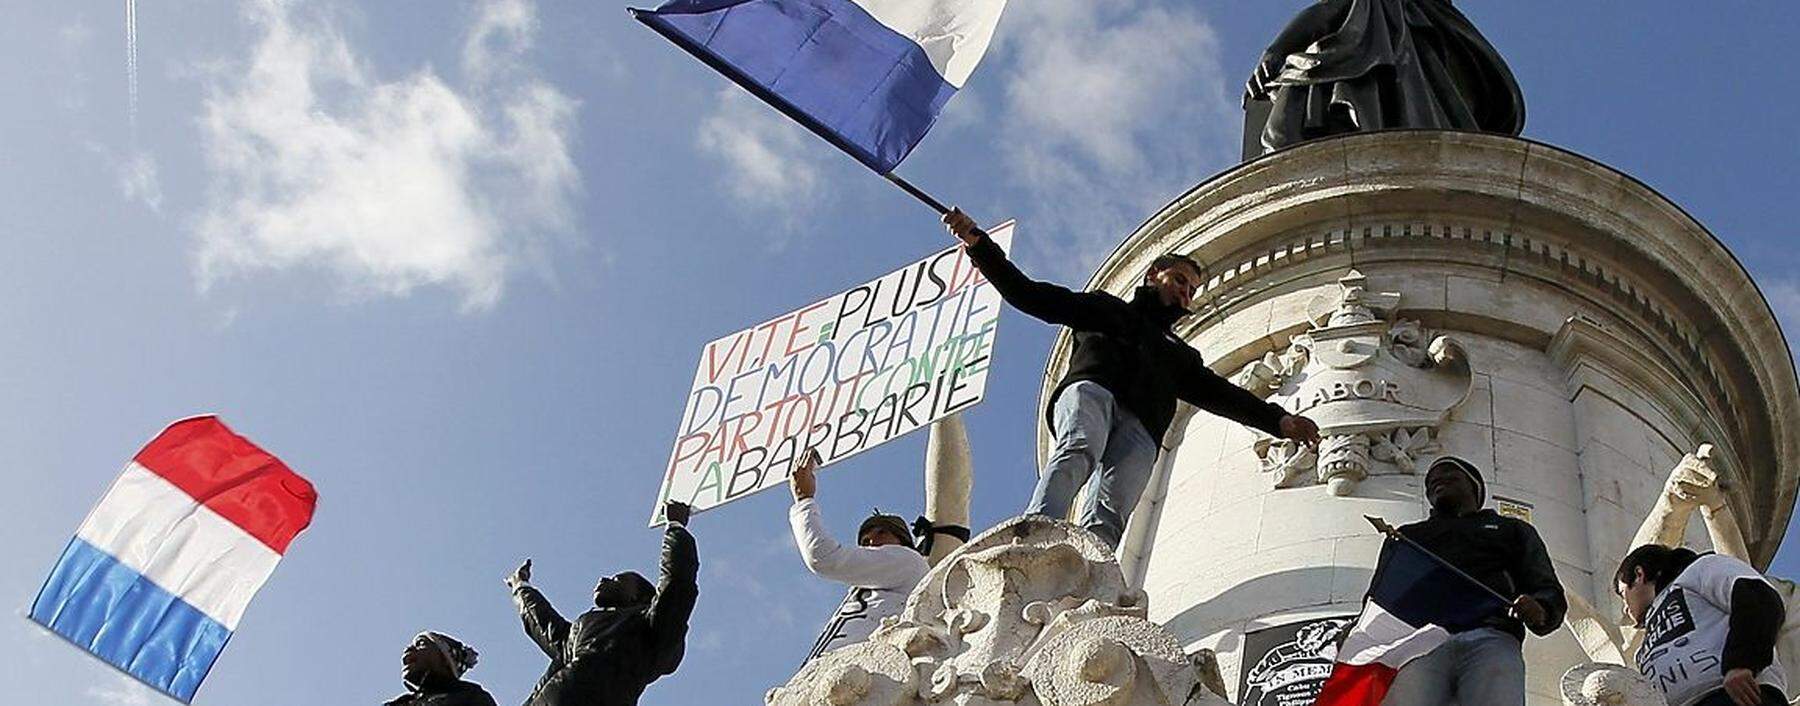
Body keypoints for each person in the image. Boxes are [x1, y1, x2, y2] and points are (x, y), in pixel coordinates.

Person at [942, 209, 1321, 548]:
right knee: (1079, 447)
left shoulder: (1180, 356)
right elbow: (1030, 295)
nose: (1185, 294)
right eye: (1179, 280)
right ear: (1153, 275)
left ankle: (1091, 570)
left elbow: (1222, 395)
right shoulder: (1106, 308)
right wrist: (981, 246)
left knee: (1114, 505)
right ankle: (1036, 531)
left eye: (1191, 289)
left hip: (1143, 425)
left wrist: (1278, 420)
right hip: (1094, 390)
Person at [1382, 456, 1567, 706]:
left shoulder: (1511, 530)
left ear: (1474, 487)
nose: (1439, 482)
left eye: (1449, 476)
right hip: (1420, 643)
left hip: (1491, 637)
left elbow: (1544, 584)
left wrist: (1542, 609)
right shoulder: (1409, 537)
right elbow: (1383, 595)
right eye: (1432, 481)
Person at [504, 500, 699, 706]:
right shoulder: (580, 632)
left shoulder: (652, 628)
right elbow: (544, 625)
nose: (604, 579)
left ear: (638, 599)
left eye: (618, 579)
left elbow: (676, 585)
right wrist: (521, 586)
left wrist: (676, 527)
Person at [787, 447, 930, 662]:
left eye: (882, 533)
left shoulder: (907, 561)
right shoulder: (873, 586)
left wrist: (804, 500)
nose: (871, 542)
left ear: (902, 540)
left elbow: (822, 557)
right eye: (865, 541)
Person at [1617, 544, 1789, 706]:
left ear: (1638, 574)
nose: (1625, 609)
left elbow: (1757, 597)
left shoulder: (1699, 570)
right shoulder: (1646, 640)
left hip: (1735, 696)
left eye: (1623, 594)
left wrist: (1741, 663)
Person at [385, 631, 497, 706]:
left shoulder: (471, 696)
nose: (408, 648)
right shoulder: (400, 703)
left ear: (445, 659)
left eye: (421, 643)